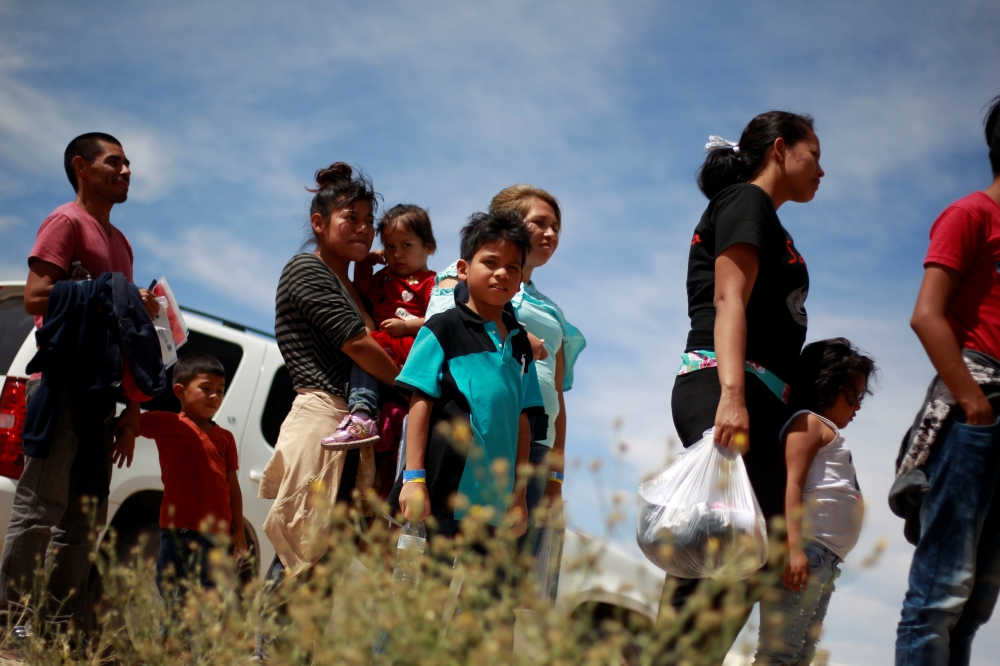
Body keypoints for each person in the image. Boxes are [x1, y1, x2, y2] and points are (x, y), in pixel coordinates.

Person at [660, 111, 824, 660]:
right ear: (781, 149)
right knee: (713, 548)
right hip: (726, 385)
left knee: (759, 548)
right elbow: (730, 300)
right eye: (814, 154)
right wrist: (731, 397)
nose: (821, 169)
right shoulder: (746, 202)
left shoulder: (768, 218)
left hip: (759, 396)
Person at [0, 133, 159, 636]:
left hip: (102, 398)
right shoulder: (65, 222)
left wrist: (132, 412)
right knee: (39, 511)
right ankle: (8, 622)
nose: (127, 170)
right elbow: (35, 297)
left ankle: (58, 631)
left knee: (85, 523)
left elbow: (128, 332)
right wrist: (107, 291)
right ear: (82, 167)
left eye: (129, 162)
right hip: (63, 385)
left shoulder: (122, 244)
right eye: (115, 161)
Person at [895, 95, 1000, 665]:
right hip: (976, 414)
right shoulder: (970, 214)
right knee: (939, 595)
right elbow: (927, 315)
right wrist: (974, 404)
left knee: (977, 604)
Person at [257, 162, 398, 580]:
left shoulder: (351, 283)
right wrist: (409, 388)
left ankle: (293, 649)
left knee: (325, 572)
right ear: (319, 223)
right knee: (301, 558)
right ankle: (265, 649)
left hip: (353, 429)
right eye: (350, 218)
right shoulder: (307, 269)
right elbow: (357, 345)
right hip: (323, 420)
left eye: (369, 222)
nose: (363, 229)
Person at [425, 186, 585, 542]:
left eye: (556, 227)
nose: (551, 234)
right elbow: (441, 328)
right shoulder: (463, 274)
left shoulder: (552, 311)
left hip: (534, 445)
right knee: (441, 552)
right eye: (540, 223)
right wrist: (517, 334)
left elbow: (556, 396)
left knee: (503, 573)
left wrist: (555, 480)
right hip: (475, 430)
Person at [388, 210, 544, 541]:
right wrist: (414, 479)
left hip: (494, 508)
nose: (501, 273)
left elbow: (522, 422)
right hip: (441, 495)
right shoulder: (441, 328)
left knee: (479, 593)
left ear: (520, 280)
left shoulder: (521, 346)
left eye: (512, 267)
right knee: (426, 591)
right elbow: (420, 402)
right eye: (490, 262)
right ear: (463, 269)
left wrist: (518, 496)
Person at [753, 338, 875, 665]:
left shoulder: (822, 429)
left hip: (824, 559)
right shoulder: (807, 424)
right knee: (779, 654)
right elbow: (791, 485)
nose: (857, 405)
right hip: (806, 552)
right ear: (824, 387)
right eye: (853, 394)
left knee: (801, 656)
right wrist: (793, 550)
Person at [115, 354, 245, 600]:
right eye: (206, 389)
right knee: (169, 593)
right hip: (175, 529)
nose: (215, 396)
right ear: (180, 391)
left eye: (220, 390)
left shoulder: (225, 438)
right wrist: (128, 432)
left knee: (199, 598)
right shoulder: (168, 424)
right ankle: (169, 637)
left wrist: (238, 530)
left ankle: (184, 638)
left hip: (215, 535)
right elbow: (131, 422)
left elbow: (233, 488)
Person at [322, 204, 437, 448]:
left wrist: (406, 327)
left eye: (407, 245)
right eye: (390, 247)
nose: (397, 254)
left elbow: (438, 320)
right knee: (367, 354)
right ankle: (362, 412)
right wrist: (366, 261)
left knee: (371, 350)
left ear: (429, 247)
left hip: (412, 348)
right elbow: (362, 286)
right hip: (385, 346)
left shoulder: (431, 283)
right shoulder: (385, 276)